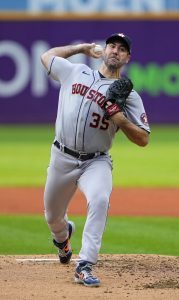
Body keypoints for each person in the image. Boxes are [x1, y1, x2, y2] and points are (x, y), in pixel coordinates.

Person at [41, 33, 150, 287]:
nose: (115, 50)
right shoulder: (76, 72)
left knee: (100, 199)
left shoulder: (128, 95)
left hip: (96, 161)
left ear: (127, 58)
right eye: (112, 45)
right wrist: (80, 48)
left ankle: (85, 264)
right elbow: (46, 56)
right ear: (105, 49)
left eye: (122, 49)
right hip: (62, 156)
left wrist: (120, 118)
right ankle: (63, 237)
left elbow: (143, 139)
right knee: (52, 218)